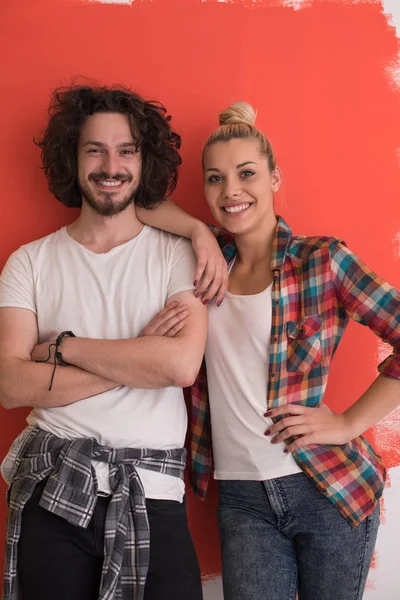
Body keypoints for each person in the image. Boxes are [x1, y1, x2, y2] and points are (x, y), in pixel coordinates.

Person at [136, 101, 400, 600]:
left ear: (275, 178)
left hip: (326, 488)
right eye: (215, 179)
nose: (231, 190)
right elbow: (138, 200)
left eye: (247, 173)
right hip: (242, 500)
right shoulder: (204, 260)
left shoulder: (322, 261)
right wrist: (197, 231)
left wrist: (347, 424)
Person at [0, 84, 211, 600]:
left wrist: (64, 348)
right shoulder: (29, 262)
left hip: (153, 490)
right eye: (94, 149)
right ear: (72, 158)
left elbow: (180, 364)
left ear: (145, 161)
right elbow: (9, 383)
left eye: (126, 150)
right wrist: (137, 353)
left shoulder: (176, 255)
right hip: (53, 487)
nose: (110, 165)